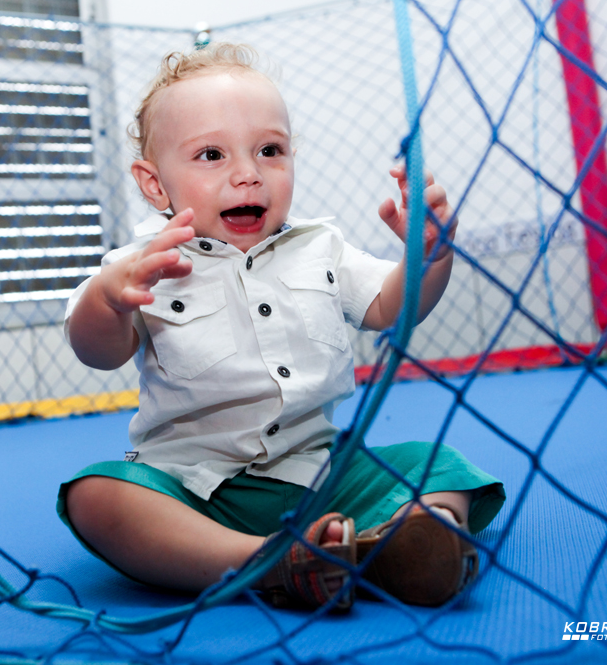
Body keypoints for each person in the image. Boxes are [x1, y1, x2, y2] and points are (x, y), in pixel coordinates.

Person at [57, 43, 505, 611]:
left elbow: (394, 307)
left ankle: (406, 544)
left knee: (439, 465)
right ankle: (265, 562)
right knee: (96, 497)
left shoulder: (320, 247)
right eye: (211, 155)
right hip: (196, 490)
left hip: (321, 477)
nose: (248, 175)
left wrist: (430, 258)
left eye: (269, 150)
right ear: (155, 183)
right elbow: (96, 349)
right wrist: (108, 299)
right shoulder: (143, 264)